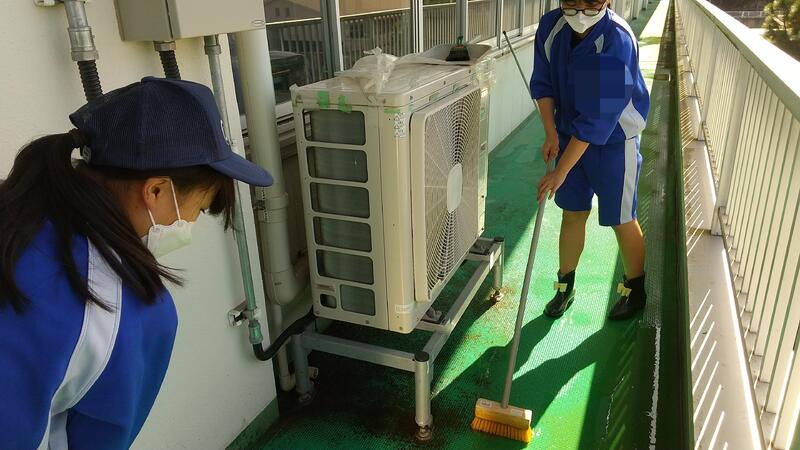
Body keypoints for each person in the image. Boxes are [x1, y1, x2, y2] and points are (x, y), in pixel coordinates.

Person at [0, 77, 273, 449]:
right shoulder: (123, 309)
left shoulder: (19, 213)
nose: (191, 223)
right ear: (155, 190)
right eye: (199, 208)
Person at [531, 0, 650, 320]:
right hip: (569, 135)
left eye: (592, 3)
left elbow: (598, 118)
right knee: (572, 212)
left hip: (615, 142)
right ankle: (565, 287)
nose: (581, 13)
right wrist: (550, 132)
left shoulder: (618, 40)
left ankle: (635, 289)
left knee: (621, 218)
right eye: (571, 2)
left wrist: (560, 172)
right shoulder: (551, 27)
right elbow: (543, 83)